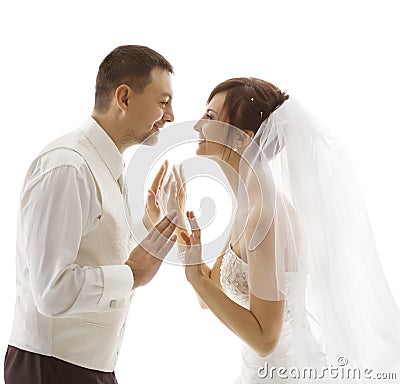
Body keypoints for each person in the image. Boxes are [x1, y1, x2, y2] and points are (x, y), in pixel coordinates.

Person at [168, 78, 400, 383]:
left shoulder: (265, 214)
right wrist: (177, 221)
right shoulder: (247, 203)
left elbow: (266, 339)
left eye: (210, 117)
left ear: (242, 138)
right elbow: (209, 295)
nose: (197, 125)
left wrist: (195, 275)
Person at [4, 45, 179, 384]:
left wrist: (148, 226)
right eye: (163, 102)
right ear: (124, 98)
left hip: (90, 369)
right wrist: (132, 275)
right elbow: (51, 291)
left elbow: (99, 251)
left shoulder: (109, 165)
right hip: (51, 369)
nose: (171, 116)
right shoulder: (68, 167)